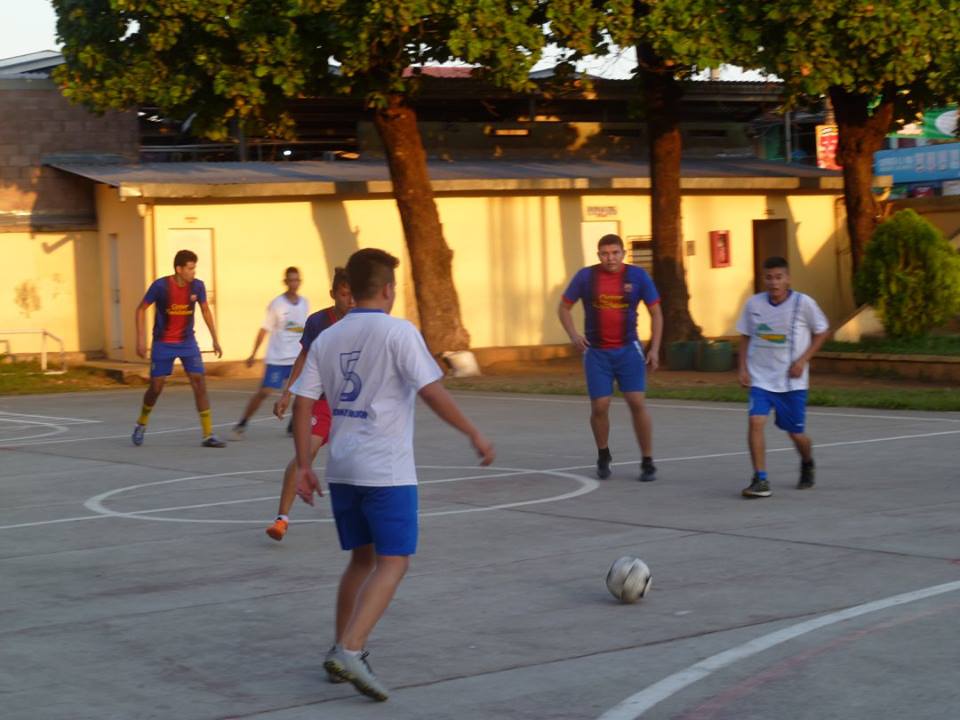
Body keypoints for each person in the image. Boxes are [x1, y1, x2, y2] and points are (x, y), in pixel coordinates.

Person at [289, 248, 495, 702]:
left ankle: (338, 646)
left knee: (361, 561)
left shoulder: (329, 336)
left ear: (353, 289)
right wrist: (473, 432)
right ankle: (352, 649)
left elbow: (303, 401)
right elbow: (431, 391)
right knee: (394, 561)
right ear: (387, 289)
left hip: (342, 467)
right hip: (386, 470)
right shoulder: (399, 333)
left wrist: (305, 464)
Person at [557, 233, 663, 482]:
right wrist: (573, 335)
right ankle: (603, 454)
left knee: (637, 402)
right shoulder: (586, 277)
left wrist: (655, 348)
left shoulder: (638, 276)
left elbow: (656, 312)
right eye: (605, 253)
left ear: (623, 254)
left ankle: (647, 460)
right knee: (600, 406)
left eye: (615, 253)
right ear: (598, 255)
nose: (610, 258)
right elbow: (563, 307)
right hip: (597, 353)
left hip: (628, 350)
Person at [265, 267, 353, 542]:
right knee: (308, 452)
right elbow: (303, 357)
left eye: (354, 295)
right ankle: (282, 519)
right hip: (324, 401)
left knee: (358, 461)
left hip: (353, 402)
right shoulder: (318, 322)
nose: (349, 300)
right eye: (343, 294)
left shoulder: (366, 323)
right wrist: (287, 393)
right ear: (333, 293)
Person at [737, 256, 830, 498]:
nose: (774, 282)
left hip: (791, 381)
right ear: (763, 278)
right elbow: (745, 336)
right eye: (769, 277)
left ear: (788, 278)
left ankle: (807, 461)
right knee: (755, 421)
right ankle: (761, 479)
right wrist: (743, 367)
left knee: (796, 434)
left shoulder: (803, 303)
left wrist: (802, 360)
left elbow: (822, 331)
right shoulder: (753, 304)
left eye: (779, 277)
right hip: (761, 378)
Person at [131, 249, 226, 448]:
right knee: (156, 388)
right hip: (163, 343)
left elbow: (206, 310)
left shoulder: (197, 286)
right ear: (179, 269)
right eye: (190, 268)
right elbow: (140, 309)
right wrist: (140, 340)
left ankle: (208, 434)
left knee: (199, 382)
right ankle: (141, 423)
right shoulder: (160, 286)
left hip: (187, 342)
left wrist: (215, 339)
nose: (194, 272)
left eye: (194, 268)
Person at [231, 267, 309, 439]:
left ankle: (292, 425)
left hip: (296, 357)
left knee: (304, 391)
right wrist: (253, 353)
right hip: (278, 358)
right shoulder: (277, 304)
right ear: (285, 282)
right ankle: (242, 423)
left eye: (297, 280)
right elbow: (264, 329)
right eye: (291, 280)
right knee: (264, 392)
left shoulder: (305, 303)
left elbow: (305, 330)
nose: (294, 283)